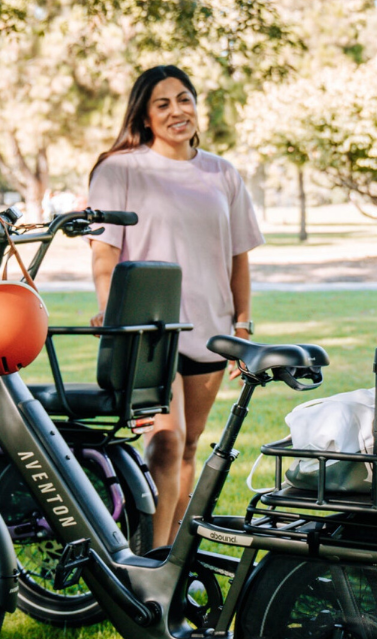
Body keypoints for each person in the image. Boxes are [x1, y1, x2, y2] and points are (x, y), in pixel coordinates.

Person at [88, 64, 264, 547]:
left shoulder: (222, 174)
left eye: (183, 99)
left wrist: (242, 326)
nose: (176, 111)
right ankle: (152, 559)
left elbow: (238, 257)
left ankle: (171, 558)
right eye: (162, 104)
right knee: (164, 445)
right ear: (145, 116)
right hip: (148, 333)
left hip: (210, 329)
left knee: (188, 448)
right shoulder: (120, 169)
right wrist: (113, 313)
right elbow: (104, 254)